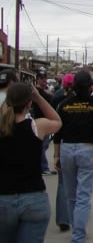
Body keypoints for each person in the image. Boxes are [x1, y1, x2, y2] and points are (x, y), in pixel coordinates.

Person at [53, 70, 93, 243]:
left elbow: (58, 133)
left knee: (70, 194)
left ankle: (76, 229)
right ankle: (78, 235)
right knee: (83, 196)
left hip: (66, 149)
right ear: (89, 85)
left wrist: (56, 155)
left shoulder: (64, 104)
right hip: (88, 149)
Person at [0, 82, 62, 243]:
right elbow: (57, 121)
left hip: (4, 198)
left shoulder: (2, 128)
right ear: (29, 103)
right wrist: (39, 97)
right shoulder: (37, 126)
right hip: (34, 198)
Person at [51, 73, 75, 233]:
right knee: (78, 184)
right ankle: (76, 215)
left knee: (62, 183)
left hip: (63, 143)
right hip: (77, 143)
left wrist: (56, 153)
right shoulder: (81, 99)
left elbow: (55, 126)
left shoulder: (56, 98)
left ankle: (62, 219)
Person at [32, 69, 57, 175]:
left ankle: (40, 166)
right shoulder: (37, 91)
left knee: (44, 145)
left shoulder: (45, 91)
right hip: (39, 120)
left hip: (46, 119)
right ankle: (43, 167)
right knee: (42, 145)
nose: (44, 80)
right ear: (37, 79)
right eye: (41, 78)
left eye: (45, 78)